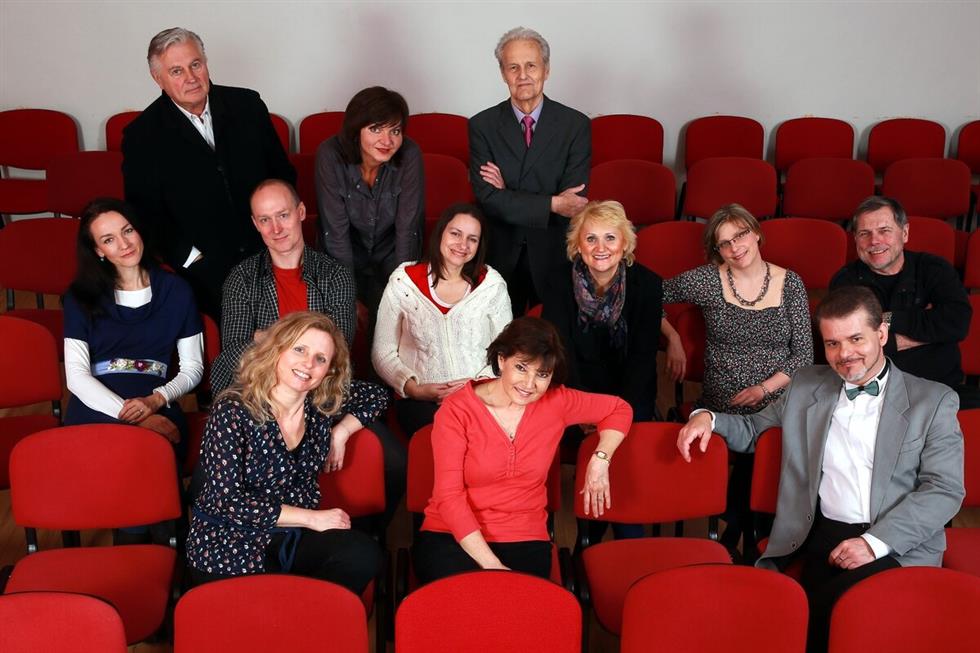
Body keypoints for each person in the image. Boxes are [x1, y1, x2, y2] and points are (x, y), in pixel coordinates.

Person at [677, 285, 965, 653]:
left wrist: (873, 543)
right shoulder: (806, 385)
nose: (844, 354)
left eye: (856, 339)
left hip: (897, 543)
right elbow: (752, 429)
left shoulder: (934, 400)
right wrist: (707, 417)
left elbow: (944, 490)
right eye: (832, 343)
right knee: (809, 621)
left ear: (881, 334)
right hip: (823, 534)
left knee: (829, 620)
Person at [412, 317, 632, 583]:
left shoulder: (557, 401)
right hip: (451, 534)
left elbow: (619, 409)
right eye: (521, 367)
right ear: (501, 360)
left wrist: (600, 459)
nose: (529, 384)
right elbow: (448, 497)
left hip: (524, 534)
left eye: (542, 374)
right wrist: (493, 566)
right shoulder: (456, 411)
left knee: (519, 606)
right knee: (472, 600)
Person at [186, 311, 387, 594]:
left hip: (289, 537)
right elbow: (228, 502)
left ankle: (307, 612)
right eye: (299, 350)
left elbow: (376, 396)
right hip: (229, 542)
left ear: (329, 371)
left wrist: (341, 432)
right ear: (277, 350)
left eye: (320, 358)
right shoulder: (232, 410)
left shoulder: (319, 406)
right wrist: (312, 518)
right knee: (270, 602)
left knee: (362, 554)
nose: (308, 363)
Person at [663, 203, 813, 555]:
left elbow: (804, 355)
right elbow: (647, 295)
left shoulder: (790, 283)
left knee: (771, 436)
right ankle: (752, 536)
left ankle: (739, 528)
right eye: (724, 243)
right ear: (717, 250)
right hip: (724, 400)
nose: (735, 247)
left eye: (740, 235)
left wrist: (764, 388)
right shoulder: (706, 280)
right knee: (761, 443)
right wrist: (673, 339)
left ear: (756, 233)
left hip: (779, 399)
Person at [122, 27, 295, 319]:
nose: (190, 77)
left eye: (195, 64)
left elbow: (282, 175)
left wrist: (278, 237)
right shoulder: (142, 135)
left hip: (270, 246)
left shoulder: (248, 105)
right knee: (236, 337)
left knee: (293, 330)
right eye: (176, 71)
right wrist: (192, 259)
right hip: (204, 268)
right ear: (158, 78)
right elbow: (146, 215)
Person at [64, 197, 203, 453]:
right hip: (96, 405)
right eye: (109, 240)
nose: (124, 244)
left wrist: (156, 400)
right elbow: (76, 377)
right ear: (98, 250)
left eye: (127, 231)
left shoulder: (177, 290)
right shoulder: (80, 296)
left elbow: (193, 368)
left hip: (157, 401)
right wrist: (136, 417)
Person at [470, 26, 591, 316]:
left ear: (546, 70)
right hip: (501, 250)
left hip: (553, 250)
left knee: (551, 336)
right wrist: (552, 202)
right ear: (503, 73)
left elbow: (572, 203)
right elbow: (488, 199)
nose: (522, 75)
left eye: (531, 66)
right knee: (498, 336)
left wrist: (508, 194)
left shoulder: (575, 125)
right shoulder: (482, 125)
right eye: (513, 67)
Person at [372, 203, 512, 438]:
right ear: (440, 233)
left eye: (472, 239)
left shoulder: (491, 285)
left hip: (481, 396)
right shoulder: (404, 282)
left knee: (485, 435)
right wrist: (414, 389)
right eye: (455, 234)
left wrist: (476, 386)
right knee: (445, 436)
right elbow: (382, 352)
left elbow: (508, 351)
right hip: (421, 401)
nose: (463, 245)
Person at [211, 179, 355, 395]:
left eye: (283, 215)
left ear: (301, 212)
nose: (276, 229)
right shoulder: (241, 278)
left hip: (317, 390)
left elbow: (337, 347)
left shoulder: (335, 275)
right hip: (256, 390)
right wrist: (306, 345)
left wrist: (265, 337)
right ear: (256, 224)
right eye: (265, 220)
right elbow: (234, 352)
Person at [830, 195, 975, 407]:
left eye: (884, 231)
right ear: (856, 239)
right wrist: (931, 332)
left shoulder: (934, 269)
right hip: (874, 397)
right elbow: (851, 350)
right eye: (864, 233)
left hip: (940, 390)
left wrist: (887, 320)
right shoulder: (845, 282)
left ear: (904, 233)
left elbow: (957, 324)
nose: (874, 241)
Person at [316, 86, 424, 311]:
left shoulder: (410, 154)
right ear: (356, 130)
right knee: (345, 318)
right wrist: (347, 298)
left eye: (395, 131)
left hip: (391, 255)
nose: (387, 141)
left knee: (398, 316)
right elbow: (335, 234)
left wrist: (402, 292)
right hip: (344, 257)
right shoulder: (329, 154)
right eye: (376, 129)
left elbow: (407, 230)